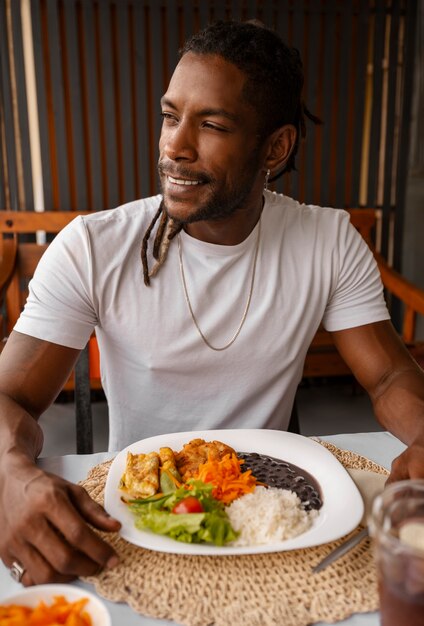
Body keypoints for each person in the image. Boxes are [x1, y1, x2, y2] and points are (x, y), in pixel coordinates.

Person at [0, 19, 423, 587]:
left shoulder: (327, 240)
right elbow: (10, 396)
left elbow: (391, 374)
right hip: (139, 512)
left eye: (212, 124)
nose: (174, 145)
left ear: (275, 146)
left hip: (272, 513)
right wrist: (7, 471)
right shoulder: (92, 247)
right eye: (170, 115)